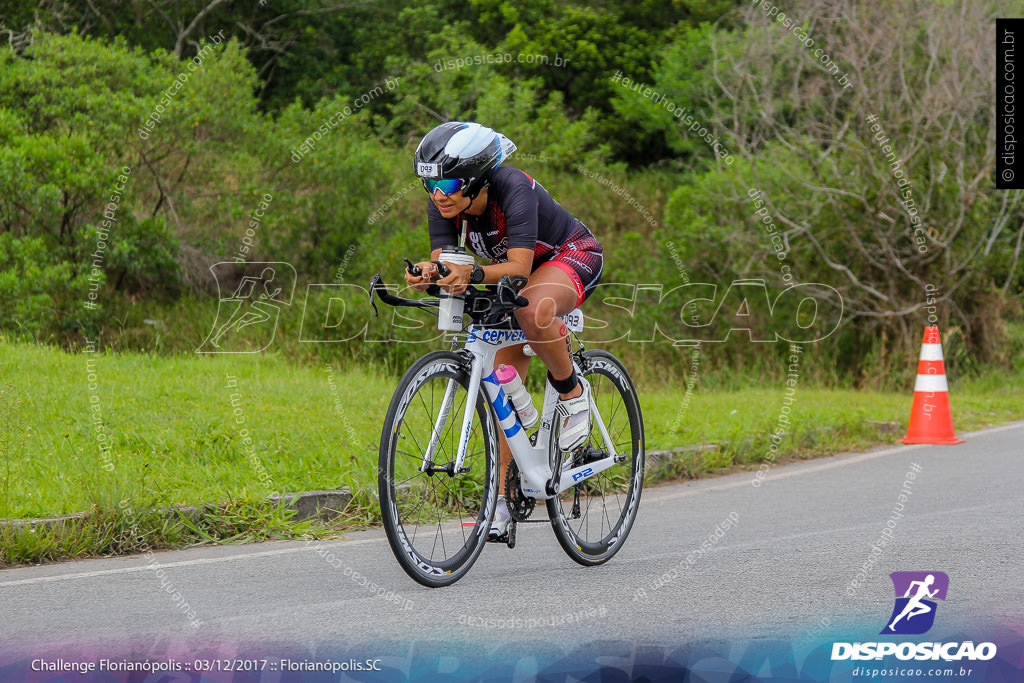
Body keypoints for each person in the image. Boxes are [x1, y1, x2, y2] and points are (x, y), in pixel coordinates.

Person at [405, 121, 604, 540]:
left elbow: (517, 267)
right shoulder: (443, 204)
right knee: (497, 382)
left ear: (477, 178)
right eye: (430, 185)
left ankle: (573, 392)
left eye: (449, 182)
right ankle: (501, 500)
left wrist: (470, 271)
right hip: (515, 276)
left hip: (568, 256)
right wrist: (430, 274)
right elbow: (448, 265)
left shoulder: (514, 187)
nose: (439, 194)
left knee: (533, 309)